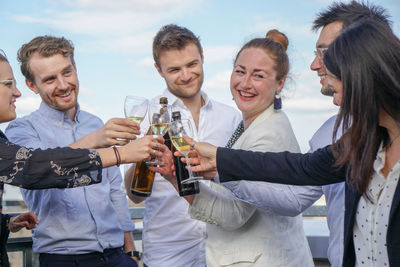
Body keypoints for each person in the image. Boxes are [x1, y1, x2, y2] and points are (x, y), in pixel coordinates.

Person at [184, 20, 400, 267]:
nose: (335, 101)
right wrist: (220, 160)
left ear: (362, 78)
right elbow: (302, 167)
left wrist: (216, 166)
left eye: (337, 86)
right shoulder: (363, 141)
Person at [161, 29, 315, 266]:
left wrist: (177, 180)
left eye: (258, 76)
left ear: (280, 83)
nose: (244, 83)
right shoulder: (247, 125)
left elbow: (234, 215)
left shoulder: (268, 134)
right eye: (240, 72)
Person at [0, 50, 164, 267]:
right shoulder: (21, 128)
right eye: (49, 79)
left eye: (67, 72)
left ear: (76, 69)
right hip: (65, 258)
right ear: (32, 85)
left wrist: (130, 250)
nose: (63, 85)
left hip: (117, 256)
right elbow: (39, 168)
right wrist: (107, 147)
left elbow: (114, 189)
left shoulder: (96, 122)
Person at [124, 24, 241, 267]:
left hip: (226, 251)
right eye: (175, 69)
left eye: (192, 64)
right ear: (159, 70)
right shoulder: (145, 114)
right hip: (169, 254)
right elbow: (134, 197)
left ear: (203, 58)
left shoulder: (232, 117)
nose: (186, 75)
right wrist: (142, 157)